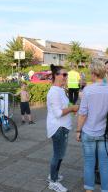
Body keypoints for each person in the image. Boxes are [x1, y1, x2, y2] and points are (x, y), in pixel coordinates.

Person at [76, 60, 108, 192]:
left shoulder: (88, 90)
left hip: (88, 132)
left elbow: (83, 114)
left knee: (89, 163)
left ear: (94, 73)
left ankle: (89, 190)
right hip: (104, 133)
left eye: (91, 73)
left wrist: (78, 130)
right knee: (104, 164)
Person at [47, 64, 79, 192]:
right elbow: (58, 113)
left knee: (60, 155)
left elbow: (64, 106)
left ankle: (53, 175)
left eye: (67, 74)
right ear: (56, 75)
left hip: (63, 127)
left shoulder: (60, 90)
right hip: (58, 128)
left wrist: (72, 108)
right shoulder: (54, 92)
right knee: (57, 155)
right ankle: (53, 181)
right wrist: (72, 108)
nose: (66, 77)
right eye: (64, 74)